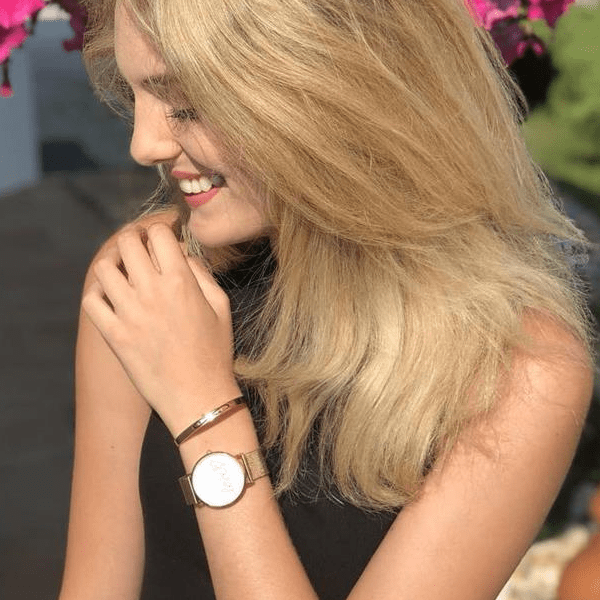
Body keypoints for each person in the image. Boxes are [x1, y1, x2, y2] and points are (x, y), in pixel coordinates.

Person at [58, 0, 595, 598]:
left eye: (184, 104)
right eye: (135, 96)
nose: (144, 144)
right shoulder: (150, 284)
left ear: (329, 87)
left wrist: (204, 414)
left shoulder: (517, 369)